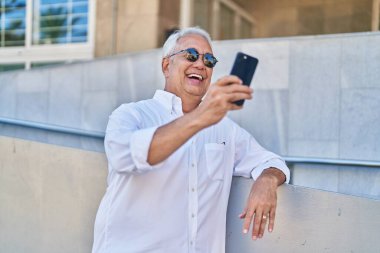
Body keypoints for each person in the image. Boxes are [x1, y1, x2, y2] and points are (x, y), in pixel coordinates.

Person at [92, 27, 290, 253]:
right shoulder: (131, 115)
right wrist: (201, 117)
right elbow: (125, 156)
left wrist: (267, 180)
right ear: (167, 66)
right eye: (191, 56)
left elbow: (272, 162)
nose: (200, 65)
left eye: (209, 60)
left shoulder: (225, 129)